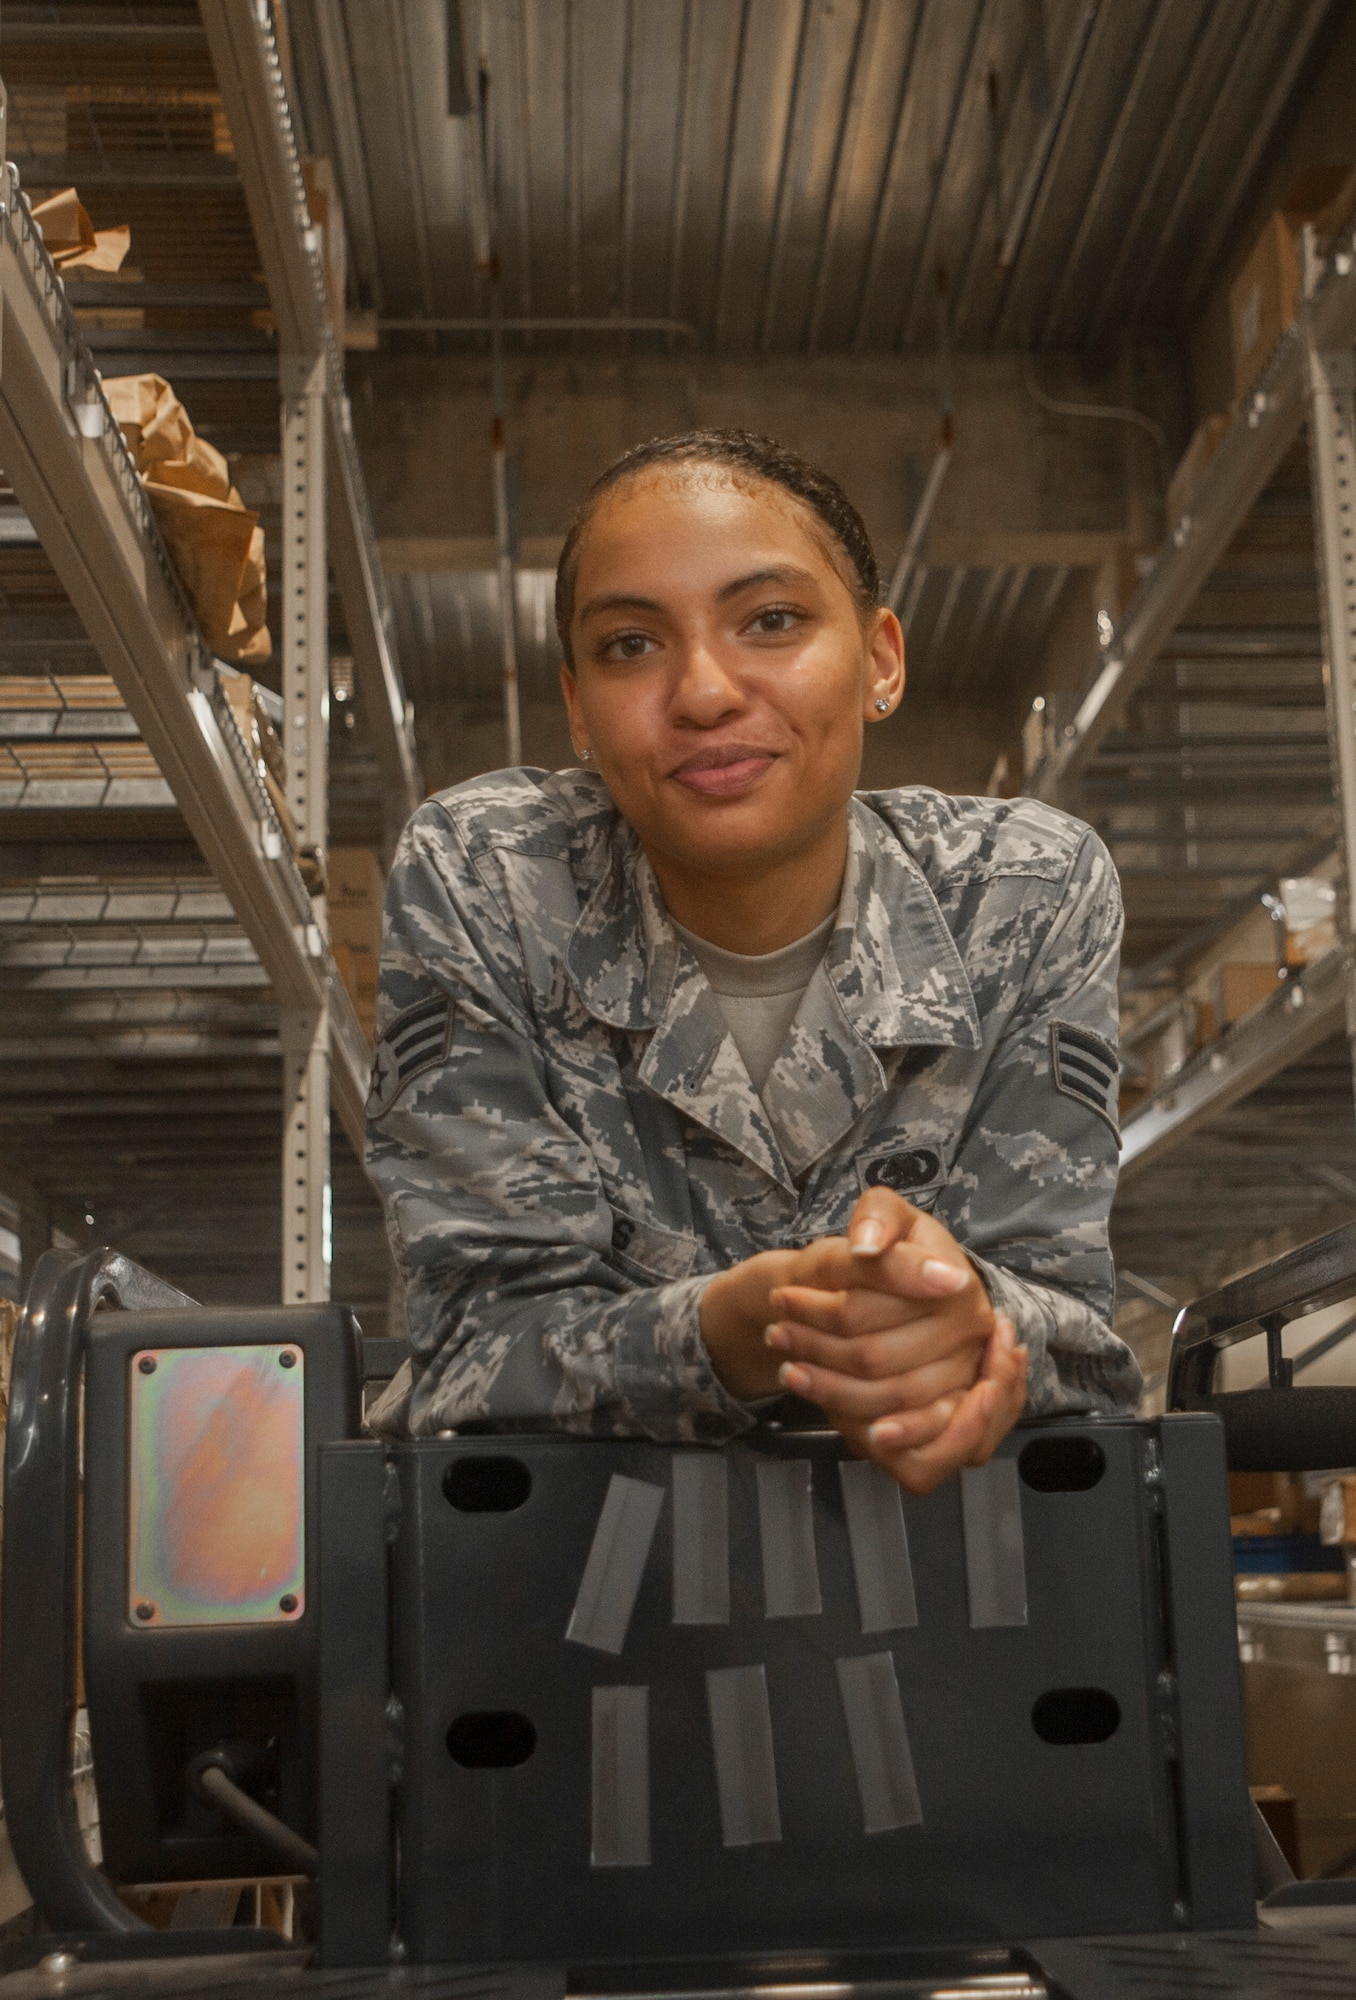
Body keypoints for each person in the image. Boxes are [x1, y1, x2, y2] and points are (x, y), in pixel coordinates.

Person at [366, 429, 1140, 1492]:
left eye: (771, 620)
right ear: (577, 707)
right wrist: (746, 1330)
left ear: (881, 659)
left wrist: (967, 1323)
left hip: (941, 1587)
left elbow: (1080, 1338)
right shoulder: (489, 878)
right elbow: (472, 1346)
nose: (705, 690)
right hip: (561, 1588)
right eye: (630, 645)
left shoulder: (1024, 892)